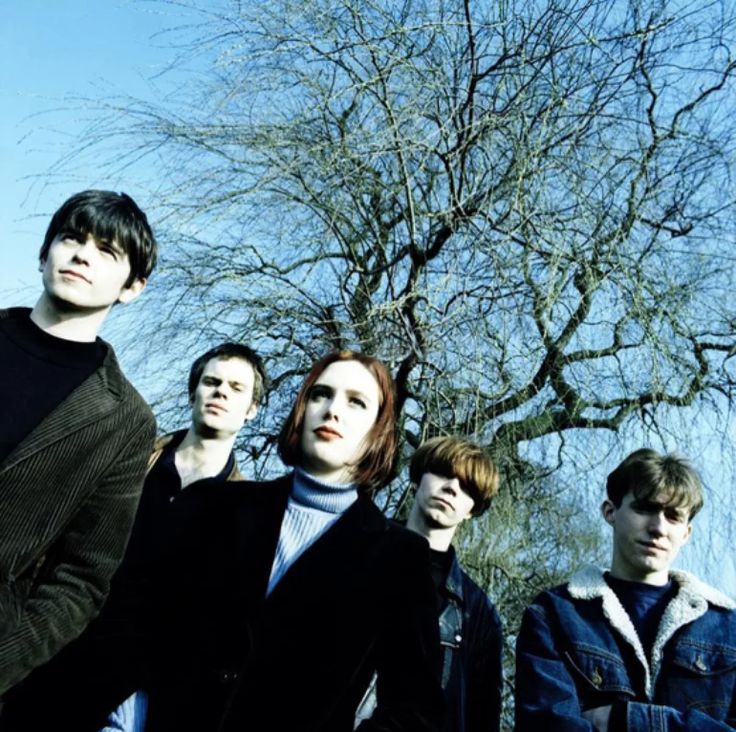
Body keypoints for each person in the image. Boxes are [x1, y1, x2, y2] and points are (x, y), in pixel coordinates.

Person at [145, 350, 444, 731]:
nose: (333, 410)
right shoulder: (218, 505)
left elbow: (415, 709)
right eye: (320, 394)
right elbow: (146, 621)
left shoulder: (400, 557)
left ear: (378, 430)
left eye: (356, 402)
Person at [1, 342, 267, 730]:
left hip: (120, 696)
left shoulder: (242, 512)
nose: (220, 392)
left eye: (236, 388)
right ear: (194, 391)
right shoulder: (132, 459)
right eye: (211, 381)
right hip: (47, 649)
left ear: (252, 410)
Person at [0, 190, 157, 694]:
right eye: (71, 237)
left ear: (132, 287)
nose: (82, 254)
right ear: (45, 252)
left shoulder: (125, 420)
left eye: (107, 251)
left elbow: (82, 579)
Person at [515, 448, 736, 731]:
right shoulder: (554, 615)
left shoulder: (726, 628)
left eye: (673, 516)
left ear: (686, 533)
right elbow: (547, 725)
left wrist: (624, 719)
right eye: (644, 508)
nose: (658, 527)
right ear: (610, 512)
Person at [355, 436, 504, 731]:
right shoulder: (354, 549)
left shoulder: (478, 613)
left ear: (472, 509)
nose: (452, 488)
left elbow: (481, 715)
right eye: (443, 473)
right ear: (416, 480)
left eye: (467, 488)